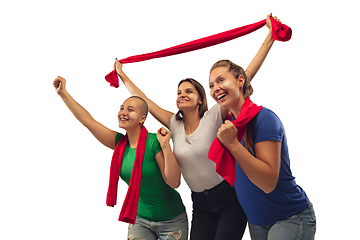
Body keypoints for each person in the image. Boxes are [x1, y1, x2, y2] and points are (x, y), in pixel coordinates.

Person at [114, 14, 279, 240]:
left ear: (200, 98)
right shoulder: (174, 123)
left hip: (230, 198)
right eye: (179, 92)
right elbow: (146, 102)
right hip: (200, 204)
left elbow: (245, 76)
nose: (182, 95)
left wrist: (270, 38)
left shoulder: (214, 117)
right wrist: (123, 75)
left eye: (188, 91)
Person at [53, 76, 188, 240]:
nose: (123, 112)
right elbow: (88, 121)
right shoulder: (119, 144)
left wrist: (166, 145)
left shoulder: (154, 141)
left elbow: (174, 182)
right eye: (122, 108)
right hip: (139, 219)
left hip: (171, 220)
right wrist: (63, 93)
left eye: (130, 110)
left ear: (142, 118)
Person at [208, 59, 316, 240]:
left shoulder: (264, 119)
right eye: (211, 85)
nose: (215, 88)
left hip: (289, 218)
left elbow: (268, 182)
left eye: (221, 80)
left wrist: (233, 144)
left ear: (240, 81)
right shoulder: (232, 123)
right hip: (257, 222)